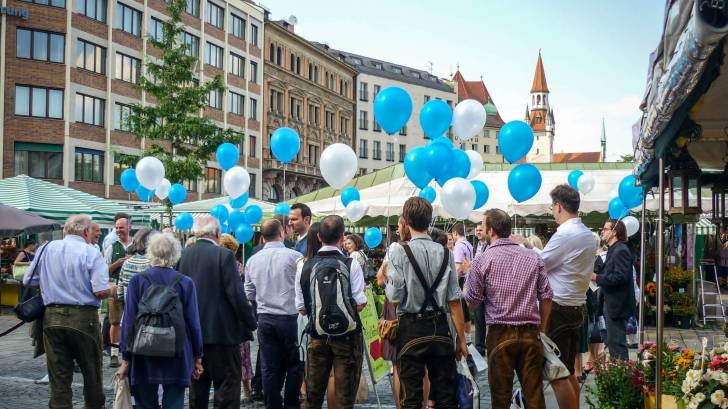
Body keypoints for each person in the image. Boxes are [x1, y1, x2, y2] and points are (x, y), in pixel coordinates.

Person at [516, 185, 596, 409]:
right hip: (577, 306)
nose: (552, 210)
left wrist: (524, 247)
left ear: (559, 207)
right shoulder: (586, 234)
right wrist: (530, 246)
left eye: (552, 206)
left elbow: (540, 263)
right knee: (567, 371)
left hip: (559, 308)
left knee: (556, 373)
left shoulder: (566, 234)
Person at [465, 209, 552, 409]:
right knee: (535, 396)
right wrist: (542, 329)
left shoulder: (483, 259)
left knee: (500, 397)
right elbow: (547, 296)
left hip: (499, 333)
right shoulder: (532, 257)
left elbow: (471, 301)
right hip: (530, 331)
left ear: (491, 230)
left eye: (483, 226)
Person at [385, 197, 468, 409]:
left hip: (411, 327)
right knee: (446, 398)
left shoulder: (398, 250)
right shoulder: (446, 252)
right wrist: (462, 339)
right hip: (441, 327)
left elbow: (394, 295)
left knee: (411, 398)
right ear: (429, 220)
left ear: (405, 220)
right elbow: (454, 301)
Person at [23, 215, 110, 409]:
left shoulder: (46, 248)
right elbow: (100, 291)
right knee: (91, 372)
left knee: (58, 374)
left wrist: (53, 283)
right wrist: (113, 290)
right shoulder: (91, 252)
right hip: (83, 318)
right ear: (85, 232)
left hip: (52, 317)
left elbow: (28, 280)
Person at [178, 215, 257, 409]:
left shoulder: (183, 256)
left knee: (197, 387)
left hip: (193, 333)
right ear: (217, 233)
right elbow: (236, 295)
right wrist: (250, 321)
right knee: (227, 387)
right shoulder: (224, 255)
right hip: (223, 334)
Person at [117, 233, 204, 409]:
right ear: (175, 254)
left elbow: (129, 321)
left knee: (144, 403)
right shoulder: (185, 283)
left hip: (143, 351)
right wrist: (197, 357)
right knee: (174, 403)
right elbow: (194, 323)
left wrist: (125, 358)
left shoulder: (137, 281)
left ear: (150, 252)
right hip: (177, 351)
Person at [296, 215, 367, 409]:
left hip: (317, 335)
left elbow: (301, 308)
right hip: (347, 338)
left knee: (313, 397)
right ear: (342, 236)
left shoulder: (303, 265)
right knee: (345, 398)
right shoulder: (351, 264)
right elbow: (360, 303)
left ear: (319, 236)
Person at [245, 219, 304, 409]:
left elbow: (249, 294)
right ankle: (291, 404)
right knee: (295, 365)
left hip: (266, 318)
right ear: (282, 233)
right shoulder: (295, 257)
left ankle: (273, 405)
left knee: (269, 368)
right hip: (291, 318)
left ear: (262, 237)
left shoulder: (253, 260)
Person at [376, 216, 412, 409]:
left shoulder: (394, 250)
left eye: (398, 225)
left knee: (398, 365)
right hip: (419, 310)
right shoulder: (428, 248)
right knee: (421, 366)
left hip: (396, 311)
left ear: (403, 226)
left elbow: (380, 280)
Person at [592, 219, 635, 361]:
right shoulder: (613, 249)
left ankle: (623, 376)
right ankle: (618, 372)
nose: (602, 231)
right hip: (609, 303)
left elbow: (620, 277)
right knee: (611, 341)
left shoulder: (620, 250)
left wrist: (596, 278)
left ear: (614, 232)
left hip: (617, 305)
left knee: (617, 343)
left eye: (605, 229)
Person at [219, 233, 254, 401]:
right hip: (239, 317)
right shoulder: (239, 266)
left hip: (224, 318)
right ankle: (246, 389)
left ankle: (226, 388)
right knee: (243, 356)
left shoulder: (219, 265)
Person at [106, 214, 132, 368]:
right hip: (115, 285)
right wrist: (117, 263)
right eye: (116, 228)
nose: (118, 230)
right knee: (115, 320)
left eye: (121, 227)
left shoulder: (137, 244)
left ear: (128, 227)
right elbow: (105, 270)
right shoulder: (111, 246)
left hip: (132, 287)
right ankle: (114, 354)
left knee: (131, 319)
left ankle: (128, 351)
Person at [117, 228, 157, 305]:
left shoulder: (127, 263)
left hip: (129, 311)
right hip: (149, 314)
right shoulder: (153, 264)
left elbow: (120, 294)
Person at [451, 223, 473, 333]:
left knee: (460, 309)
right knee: (465, 310)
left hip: (460, 280)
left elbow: (458, 267)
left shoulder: (459, 246)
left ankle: (463, 337)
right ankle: (468, 336)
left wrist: (453, 282)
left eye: (452, 235)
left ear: (455, 233)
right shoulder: (468, 244)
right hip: (467, 279)